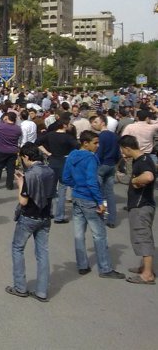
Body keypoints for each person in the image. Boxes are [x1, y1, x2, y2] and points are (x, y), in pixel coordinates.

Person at [61, 130, 125, 279]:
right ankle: (105, 268)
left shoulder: (72, 155)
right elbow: (92, 181)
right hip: (89, 199)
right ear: (86, 143)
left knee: (79, 234)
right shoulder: (91, 158)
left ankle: (82, 265)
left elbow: (65, 178)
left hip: (77, 197)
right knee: (99, 235)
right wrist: (99, 201)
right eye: (95, 143)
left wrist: (77, 186)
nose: (98, 146)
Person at [6, 143, 56, 302]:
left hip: (29, 216)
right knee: (42, 252)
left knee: (17, 248)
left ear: (26, 157)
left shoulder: (30, 175)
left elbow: (23, 200)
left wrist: (20, 184)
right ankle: (42, 290)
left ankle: (20, 286)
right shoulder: (49, 171)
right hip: (45, 216)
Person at [118, 135, 156, 285]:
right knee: (142, 236)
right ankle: (144, 268)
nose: (122, 153)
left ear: (127, 148)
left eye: (122, 149)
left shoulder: (143, 162)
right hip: (142, 205)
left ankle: (147, 275)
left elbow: (148, 177)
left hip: (141, 206)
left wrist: (134, 181)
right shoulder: (141, 160)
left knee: (142, 238)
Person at [92, 114, 121, 228]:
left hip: (102, 165)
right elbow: (118, 153)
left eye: (96, 122)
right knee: (110, 193)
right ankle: (112, 219)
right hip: (112, 165)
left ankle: (99, 215)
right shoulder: (114, 136)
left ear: (102, 123)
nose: (94, 124)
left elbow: (99, 153)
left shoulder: (101, 137)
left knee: (98, 192)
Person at [0, 112, 22, 190]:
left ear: (6, 118)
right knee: (10, 168)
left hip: (1, 150)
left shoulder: (0, 125)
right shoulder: (18, 128)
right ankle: (9, 185)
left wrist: (2, 120)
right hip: (13, 150)